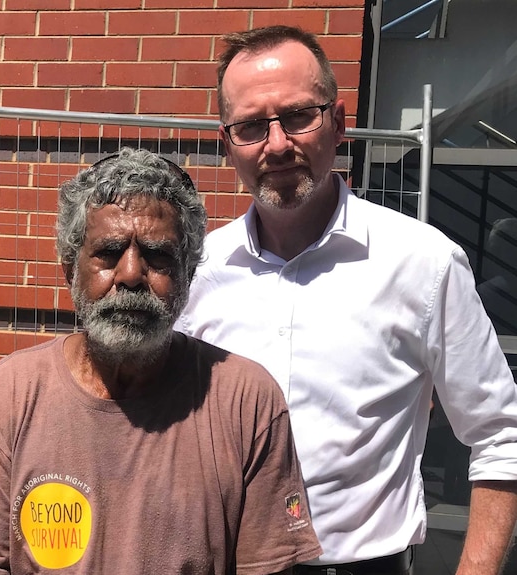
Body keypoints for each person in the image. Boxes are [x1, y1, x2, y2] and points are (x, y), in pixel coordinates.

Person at [175, 25, 517, 575]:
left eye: (297, 116)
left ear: (338, 123)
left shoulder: (422, 263)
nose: (278, 144)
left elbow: (501, 432)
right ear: (227, 143)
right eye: (251, 126)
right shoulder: (197, 271)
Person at [0, 147, 322, 575]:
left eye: (158, 255)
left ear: (187, 276)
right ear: (69, 269)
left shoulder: (247, 400)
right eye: (109, 252)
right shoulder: (11, 394)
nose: (131, 274)